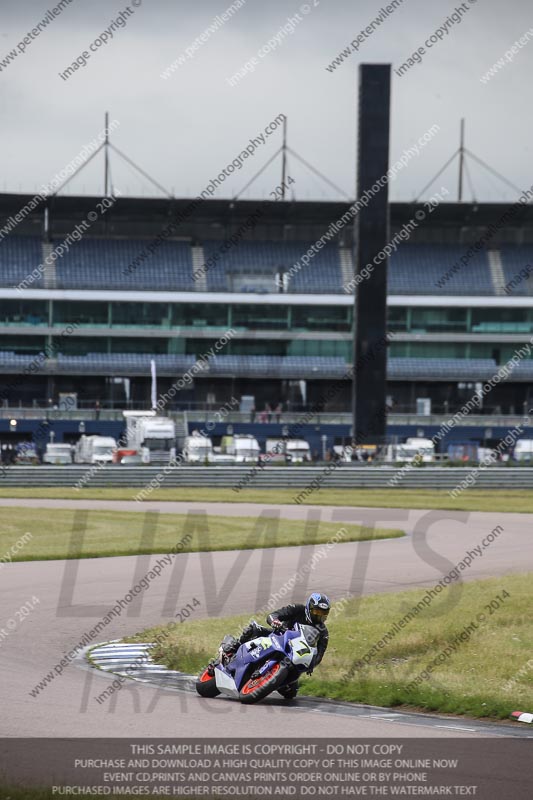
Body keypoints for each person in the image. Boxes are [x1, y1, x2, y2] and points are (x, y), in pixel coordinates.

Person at [212, 593, 331, 699]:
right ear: (309, 608)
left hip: (294, 656)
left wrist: (312, 664)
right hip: (277, 636)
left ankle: (268, 680)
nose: (319, 616)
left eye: (323, 614)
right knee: (253, 630)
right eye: (317, 612)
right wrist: (275, 621)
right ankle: (232, 648)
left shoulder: (323, 632)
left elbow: (319, 654)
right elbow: (273, 615)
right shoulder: (297, 609)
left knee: (291, 693)